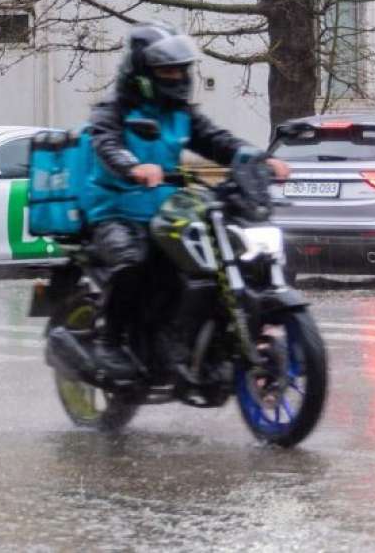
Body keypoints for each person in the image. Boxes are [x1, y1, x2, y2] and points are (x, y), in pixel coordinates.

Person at [81, 24, 289, 381]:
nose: (176, 77)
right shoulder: (113, 111)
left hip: (163, 208)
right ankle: (109, 341)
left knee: (204, 261)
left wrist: (258, 158)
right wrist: (133, 167)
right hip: (115, 209)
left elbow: (216, 140)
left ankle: (197, 339)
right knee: (133, 263)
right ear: (142, 72)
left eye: (180, 69)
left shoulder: (182, 114)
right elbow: (106, 143)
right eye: (167, 71)